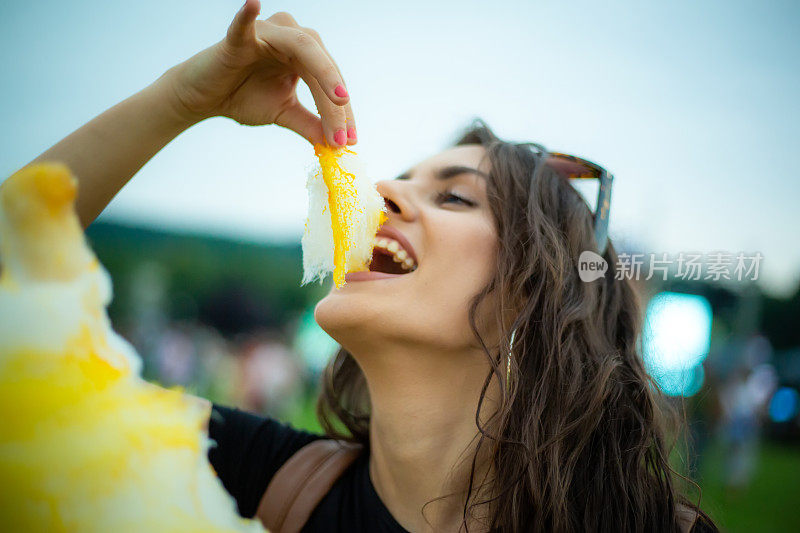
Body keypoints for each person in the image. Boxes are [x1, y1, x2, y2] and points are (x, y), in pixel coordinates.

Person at [22, 1, 718, 531]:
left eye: (453, 195)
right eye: (398, 177)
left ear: (534, 293)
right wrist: (180, 99)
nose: (379, 191)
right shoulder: (254, 479)